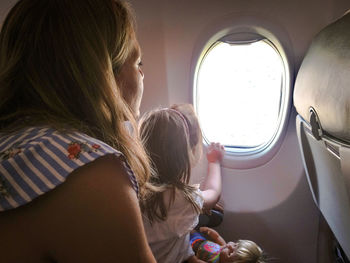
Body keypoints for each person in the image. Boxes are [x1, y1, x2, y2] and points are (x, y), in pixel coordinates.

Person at [0, 0, 156, 262]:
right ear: (106, 74)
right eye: (138, 62)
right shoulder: (89, 173)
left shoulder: (12, 143)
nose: (142, 76)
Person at [139, 103, 225, 263]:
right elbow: (213, 192)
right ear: (186, 154)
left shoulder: (134, 189)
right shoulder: (184, 199)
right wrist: (214, 161)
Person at [190, 227, 265, 263]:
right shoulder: (223, 246)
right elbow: (217, 237)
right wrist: (209, 231)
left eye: (230, 253)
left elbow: (195, 261)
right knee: (190, 229)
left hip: (190, 251)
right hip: (198, 239)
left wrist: (190, 256)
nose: (229, 246)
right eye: (235, 245)